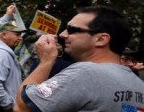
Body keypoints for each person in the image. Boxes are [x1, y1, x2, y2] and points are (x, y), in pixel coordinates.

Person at [16, 6, 144, 111]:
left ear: (101, 39)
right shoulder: (139, 86)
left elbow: (22, 108)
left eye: (72, 30)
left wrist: (46, 61)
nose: (62, 34)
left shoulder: (86, 73)